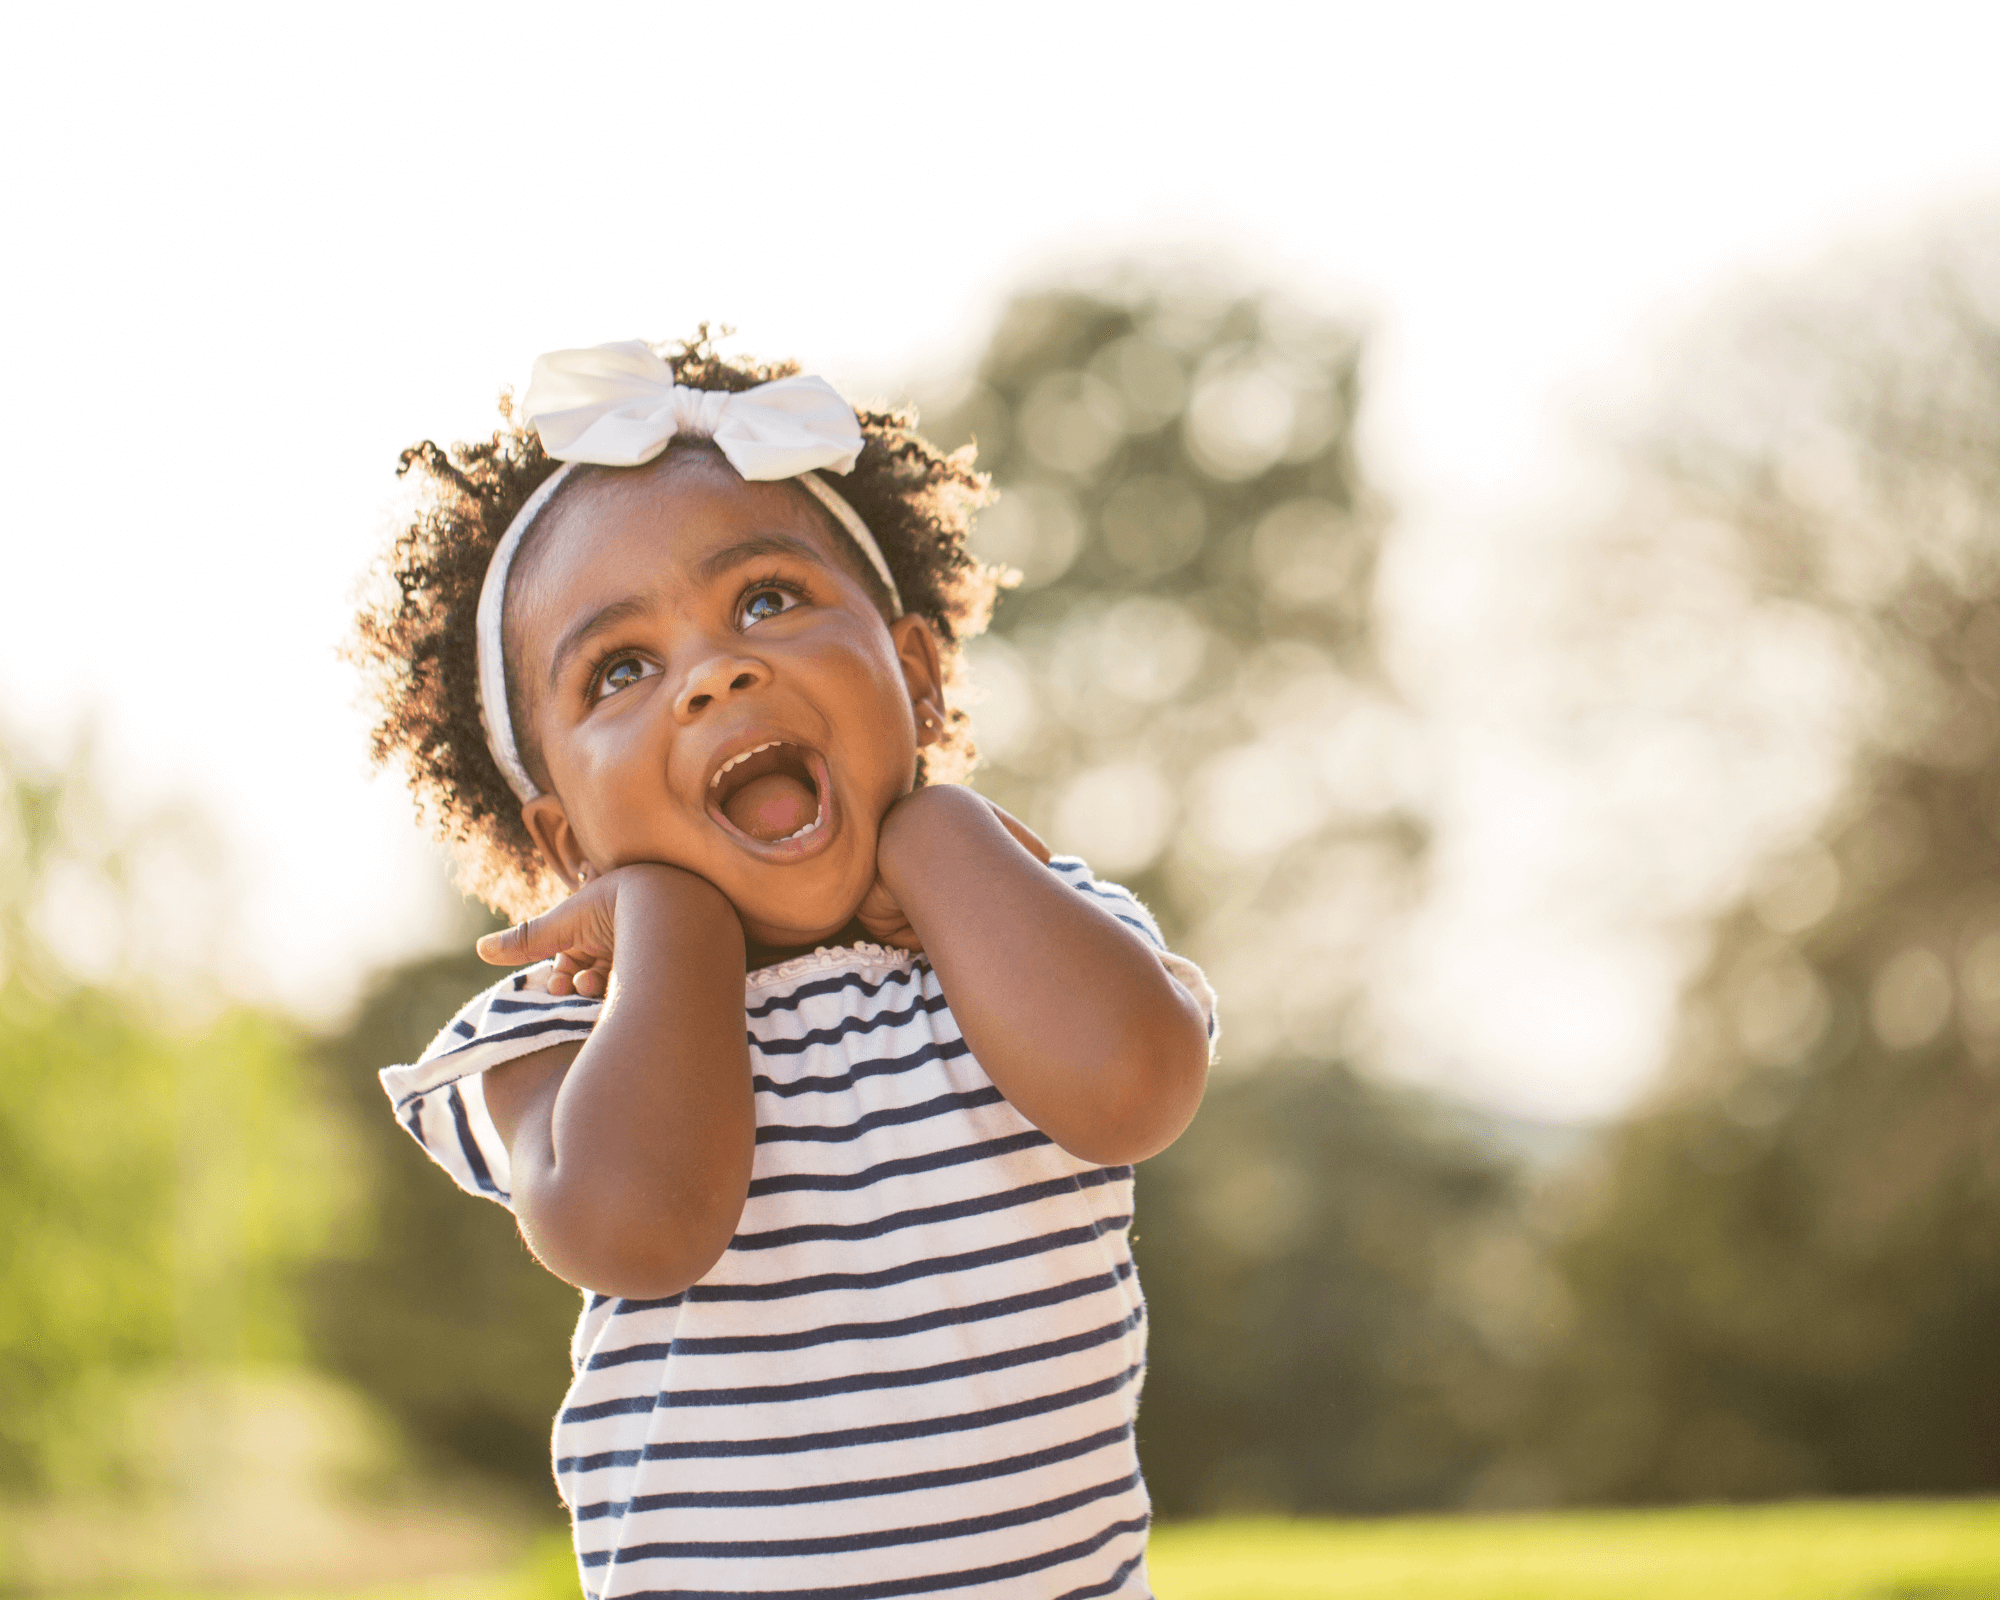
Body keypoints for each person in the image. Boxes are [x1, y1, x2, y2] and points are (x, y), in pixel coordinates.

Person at [355, 334, 1216, 1598]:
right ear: (563, 838)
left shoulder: (1019, 930)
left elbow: (1135, 1088)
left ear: (914, 679)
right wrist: (675, 935)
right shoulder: (555, 1030)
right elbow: (637, 1227)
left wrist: (943, 829)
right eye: (622, 670)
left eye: (764, 600)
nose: (716, 672)